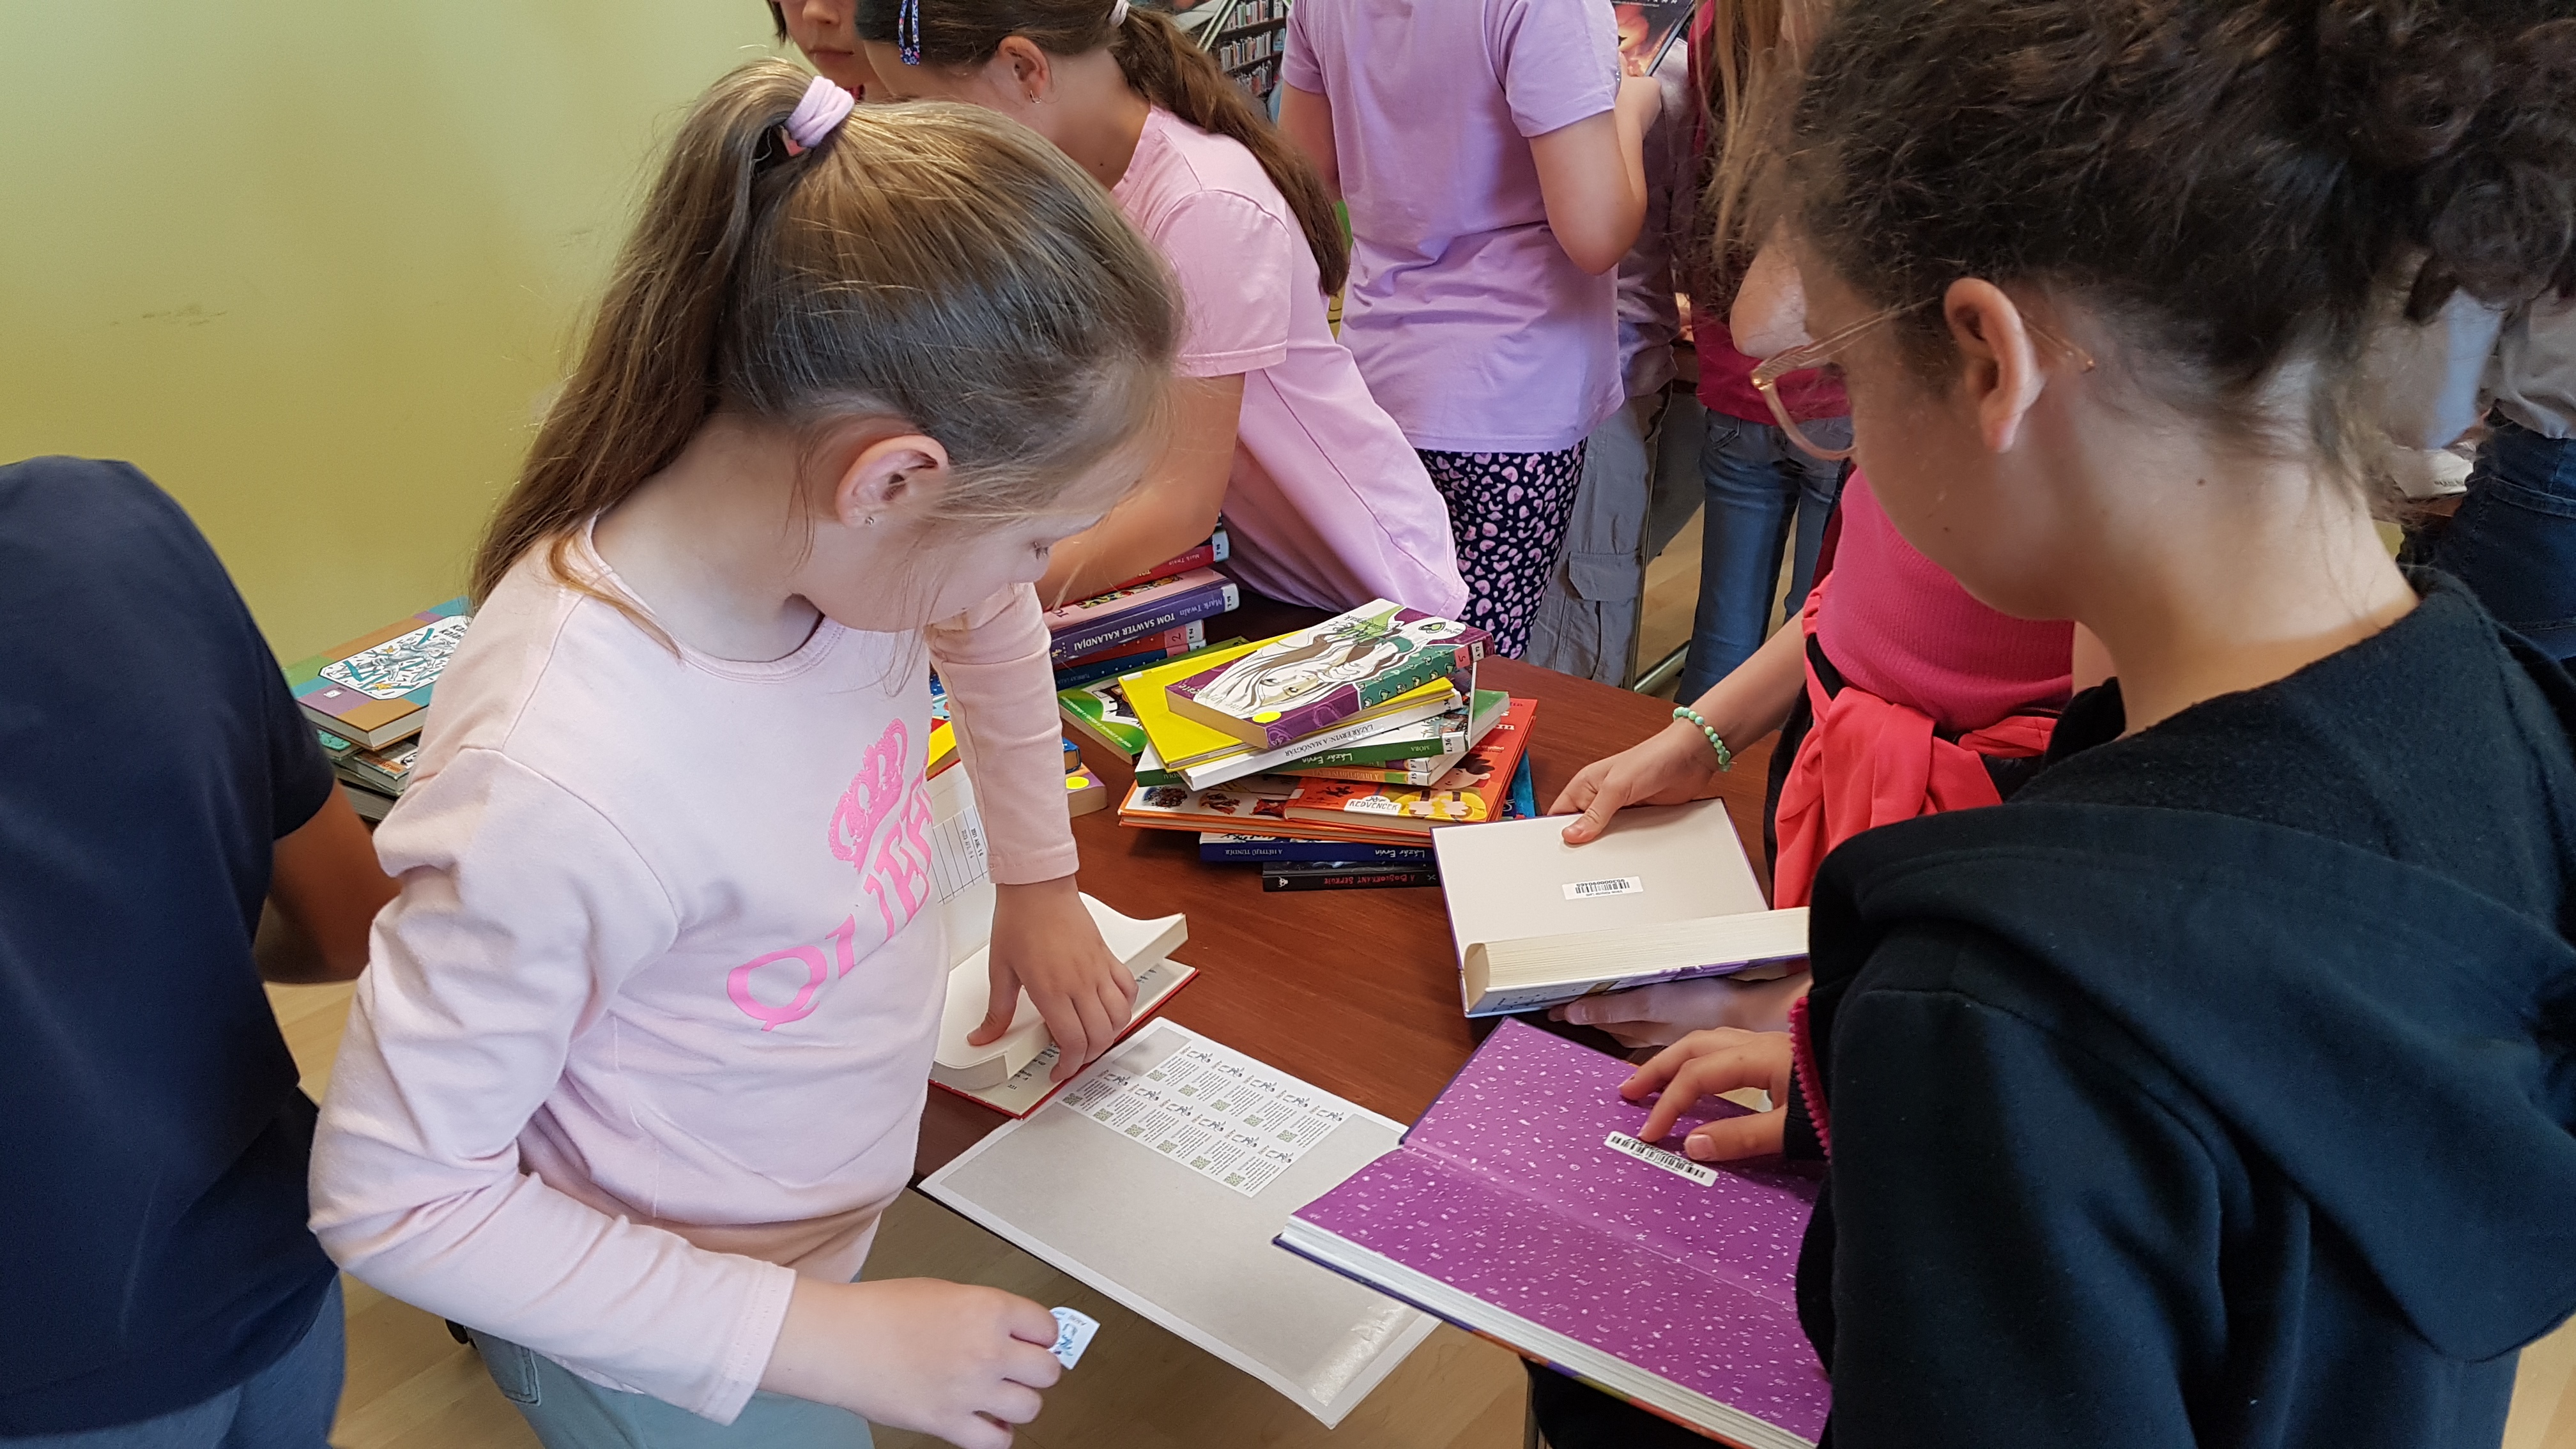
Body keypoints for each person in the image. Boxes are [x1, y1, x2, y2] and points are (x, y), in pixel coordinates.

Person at [1617, 3, 2576, 1446]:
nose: (1847, 435)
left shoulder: (2003, 1005)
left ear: (1986, 361)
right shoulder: (2504, 717)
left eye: (1846, 383)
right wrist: (1859, 1099)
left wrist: (1958, 1098)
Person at [307, 66, 1179, 1448]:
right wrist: (821, 1339)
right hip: (661, 1337)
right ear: (889, 480)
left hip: (795, 1247)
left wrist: (1037, 873)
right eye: (1034, 535)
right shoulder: (559, 782)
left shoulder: (833, 555)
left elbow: (987, 617)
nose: (1032, 575)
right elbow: (396, 1195)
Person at [0, 456, 395, 1445]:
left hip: (47, 1369)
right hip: (271, 1274)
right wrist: (160, 917)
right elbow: (350, 921)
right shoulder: (108, 523)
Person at [839, 0, 1468, 621]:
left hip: (1370, 587)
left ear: (1024, 68)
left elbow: (1177, 507)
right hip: (1256, 579)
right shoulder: (1070, 185)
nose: (923, 142)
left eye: (920, 107)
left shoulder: (1204, 202)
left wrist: (948, 596)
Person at [1278, 0, 1663, 656]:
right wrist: (1629, 112)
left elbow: (1308, 176)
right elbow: (1596, 234)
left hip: (1376, 376)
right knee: (1476, 675)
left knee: (1389, 666)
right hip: (1511, 393)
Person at [1675, 0, 1853, 697]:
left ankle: (1692, 762)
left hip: (1733, 375)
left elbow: (1699, 182)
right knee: (1817, 633)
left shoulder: (1715, 22)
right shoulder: (1857, 32)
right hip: (1837, 395)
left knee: (1723, 630)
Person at [1526, 22, 1706, 686]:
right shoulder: (1666, 71)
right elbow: (1692, 238)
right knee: (1583, 614)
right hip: (1605, 374)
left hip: (1451, 376)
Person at [2400, 296, 2576, 659]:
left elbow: (2433, 417)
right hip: (2551, 467)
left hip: (2550, 468)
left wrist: (2454, 410)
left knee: (2435, 649)